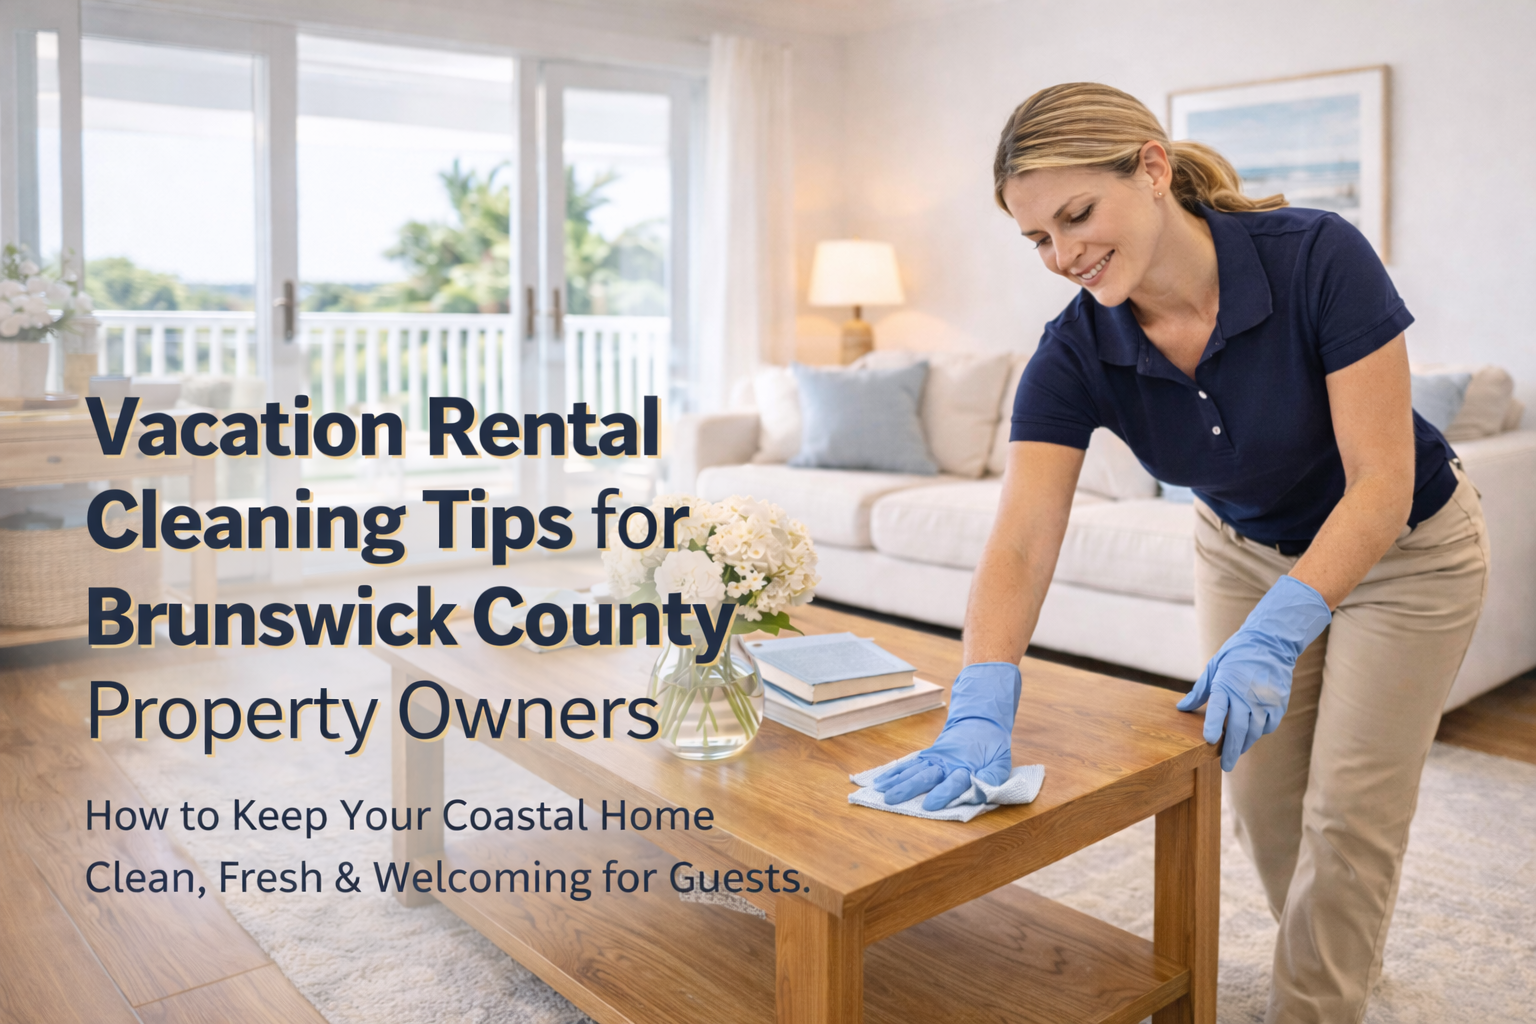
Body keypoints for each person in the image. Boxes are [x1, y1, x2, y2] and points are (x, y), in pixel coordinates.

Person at [871, 83, 1489, 1024]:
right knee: (1266, 807)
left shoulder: (1317, 256)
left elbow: (1380, 484)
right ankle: (1340, 962)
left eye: (1078, 215)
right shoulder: (1075, 352)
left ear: (1152, 169)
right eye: (1038, 239)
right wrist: (982, 691)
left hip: (1406, 551)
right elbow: (1026, 532)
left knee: (1347, 812)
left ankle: (1317, 1005)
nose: (1064, 255)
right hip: (1242, 549)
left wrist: (1282, 630)